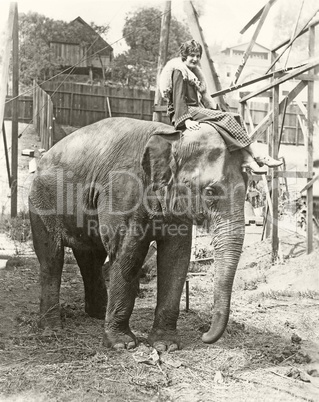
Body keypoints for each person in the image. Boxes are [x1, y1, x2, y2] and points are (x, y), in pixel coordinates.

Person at [159, 39, 283, 174]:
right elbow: (178, 97)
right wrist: (186, 119)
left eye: (197, 56)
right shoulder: (179, 71)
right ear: (184, 56)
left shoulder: (194, 72)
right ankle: (258, 155)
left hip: (196, 109)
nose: (195, 59)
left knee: (235, 118)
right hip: (185, 111)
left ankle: (248, 158)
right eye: (191, 55)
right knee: (227, 118)